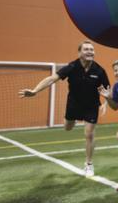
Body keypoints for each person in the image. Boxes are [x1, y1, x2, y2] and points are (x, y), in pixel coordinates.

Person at [19, 40, 109, 177]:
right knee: (68, 127)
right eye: (86, 49)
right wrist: (35, 90)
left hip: (91, 105)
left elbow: (108, 90)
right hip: (73, 104)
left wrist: (105, 104)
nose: (90, 51)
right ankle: (70, 120)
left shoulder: (99, 70)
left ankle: (89, 164)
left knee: (89, 134)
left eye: (92, 49)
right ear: (79, 53)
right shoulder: (72, 67)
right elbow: (51, 79)